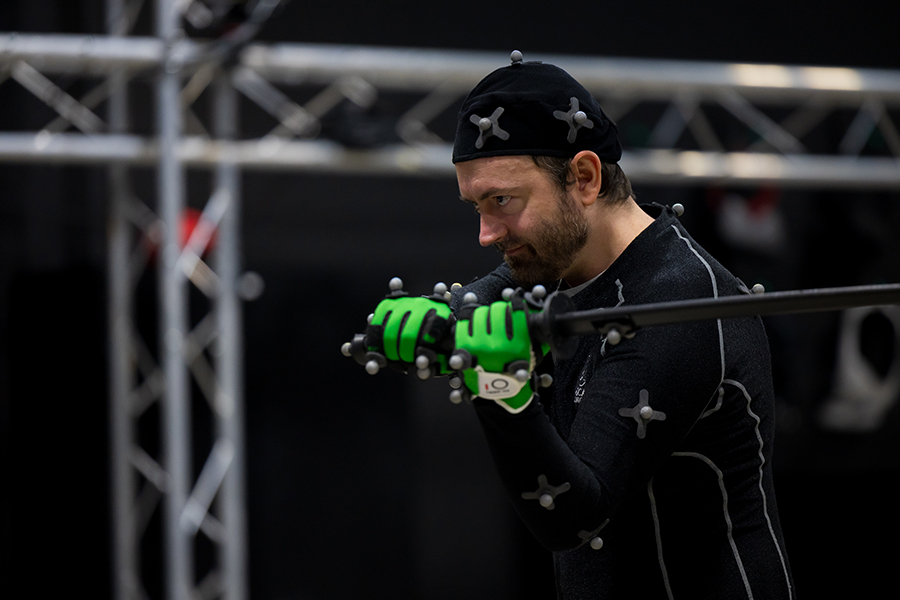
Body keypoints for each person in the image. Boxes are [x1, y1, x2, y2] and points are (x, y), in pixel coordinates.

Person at [348, 51, 795, 599]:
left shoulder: (679, 296)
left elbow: (572, 517)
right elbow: (483, 299)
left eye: (503, 200)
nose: (487, 233)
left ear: (584, 177)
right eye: (476, 206)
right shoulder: (559, 265)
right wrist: (438, 317)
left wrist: (500, 388)